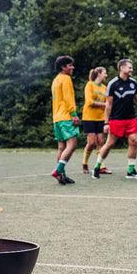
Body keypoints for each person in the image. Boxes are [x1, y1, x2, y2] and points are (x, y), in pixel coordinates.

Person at [92, 58, 137, 179]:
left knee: (134, 141)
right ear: (122, 68)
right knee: (110, 144)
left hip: (131, 119)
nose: (131, 69)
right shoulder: (113, 84)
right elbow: (108, 105)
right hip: (116, 119)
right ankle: (97, 167)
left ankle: (131, 171)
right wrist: (106, 123)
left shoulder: (134, 83)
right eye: (129, 67)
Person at [51, 55, 81, 185]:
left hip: (57, 118)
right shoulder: (66, 78)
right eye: (70, 65)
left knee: (61, 147)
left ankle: (61, 176)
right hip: (66, 116)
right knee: (72, 144)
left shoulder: (56, 80)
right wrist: (74, 114)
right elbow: (68, 98)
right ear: (63, 67)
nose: (72, 67)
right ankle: (58, 170)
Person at [81, 67, 111, 175]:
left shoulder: (105, 87)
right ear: (98, 73)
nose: (106, 75)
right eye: (105, 73)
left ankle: (101, 166)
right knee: (91, 142)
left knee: (100, 142)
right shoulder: (89, 85)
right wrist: (105, 105)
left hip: (100, 118)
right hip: (89, 117)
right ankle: (84, 163)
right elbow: (89, 102)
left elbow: (108, 103)